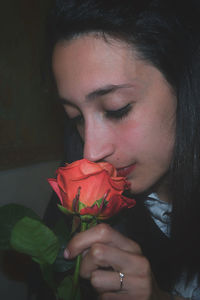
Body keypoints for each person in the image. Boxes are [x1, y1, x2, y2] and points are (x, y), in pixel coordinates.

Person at [45, 0, 200, 299]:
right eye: (75, 118)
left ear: (186, 83)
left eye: (117, 109)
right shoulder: (79, 194)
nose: (91, 152)